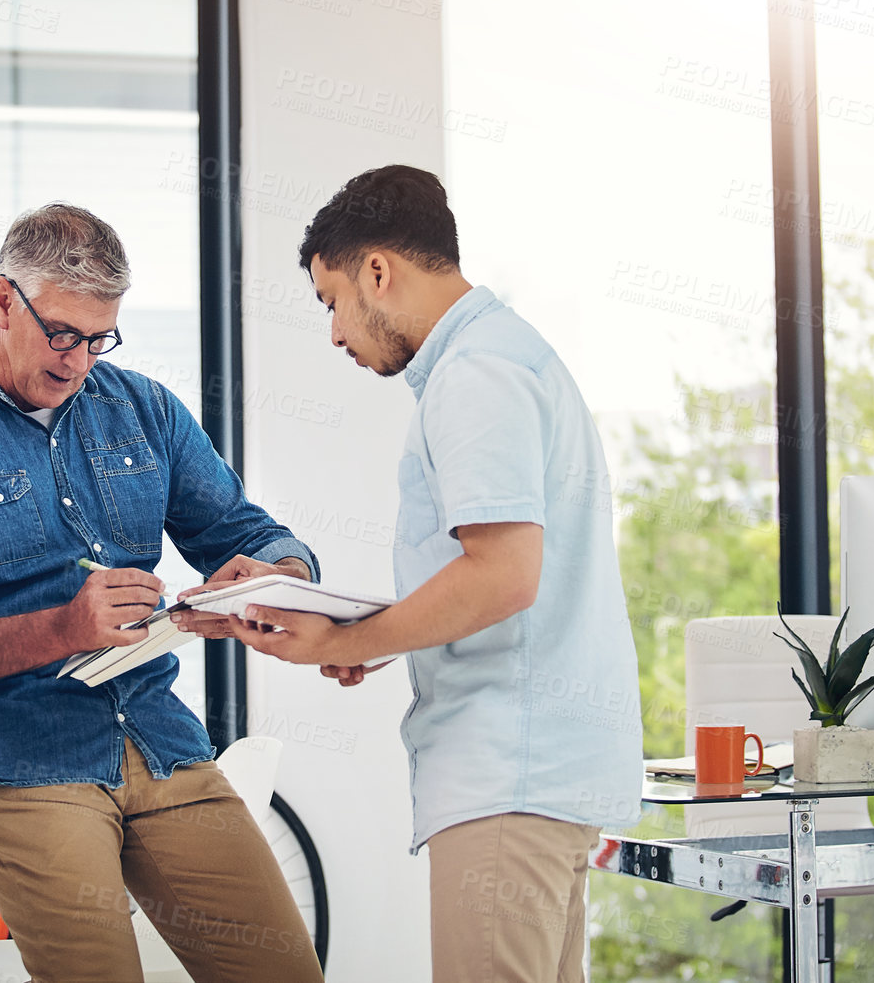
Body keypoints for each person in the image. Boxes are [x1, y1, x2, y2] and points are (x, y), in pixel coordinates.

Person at [0, 202, 326, 983]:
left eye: (99, 336)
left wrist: (280, 573)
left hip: (157, 738)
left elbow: (245, 529)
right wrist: (63, 628)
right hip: (10, 760)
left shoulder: (141, 408)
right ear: (4, 300)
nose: (79, 360)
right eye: (63, 333)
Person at [224, 165, 644, 983]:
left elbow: (503, 577)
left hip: (508, 776)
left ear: (377, 271)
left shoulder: (474, 375)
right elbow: (503, 578)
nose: (336, 334)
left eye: (332, 302)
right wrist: (378, 637)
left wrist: (338, 639)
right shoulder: (511, 357)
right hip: (545, 772)